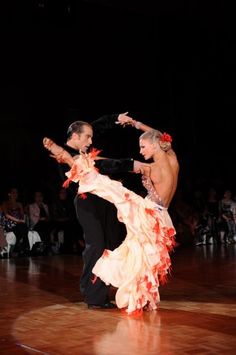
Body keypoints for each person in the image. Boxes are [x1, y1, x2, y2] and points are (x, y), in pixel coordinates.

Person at [43, 116, 179, 314]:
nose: (141, 151)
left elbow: (111, 165)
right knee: (141, 255)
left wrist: (87, 160)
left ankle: (68, 157)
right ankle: (139, 297)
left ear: (156, 145)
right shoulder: (173, 161)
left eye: (143, 147)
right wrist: (137, 124)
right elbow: (162, 139)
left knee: (109, 187)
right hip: (161, 216)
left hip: (147, 212)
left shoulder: (151, 167)